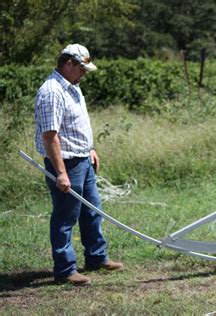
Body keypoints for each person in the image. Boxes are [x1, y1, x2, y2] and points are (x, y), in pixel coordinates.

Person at [35, 44, 123, 285]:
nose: (84, 74)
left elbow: (76, 124)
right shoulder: (52, 92)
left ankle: (97, 257)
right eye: (81, 69)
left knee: (92, 210)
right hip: (66, 164)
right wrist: (61, 173)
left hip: (83, 159)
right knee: (65, 217)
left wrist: (91, 149)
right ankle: (65, 270)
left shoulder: (73, 88)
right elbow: (50, 135)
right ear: (68, 64)